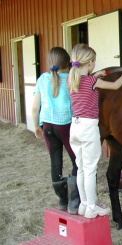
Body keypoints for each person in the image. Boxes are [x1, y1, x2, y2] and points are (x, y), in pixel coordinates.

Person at [68, 43, 122, 219]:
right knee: (90, 169)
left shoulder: (72, 80)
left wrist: (94, 75)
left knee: (81, 167)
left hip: (74, 127)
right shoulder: (91, 81)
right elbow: (114, 86)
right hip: (88, 128)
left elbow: (86, 83)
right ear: (90, 63)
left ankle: (83, 204)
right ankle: (92, 206)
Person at [31, 47, 80, 214]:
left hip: (48, 126)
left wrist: (37, 125)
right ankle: (74, 199)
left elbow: (34, 107)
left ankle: (62, 200)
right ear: (68, 63)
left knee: (55, 163)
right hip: (66, 125)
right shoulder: (71, 79)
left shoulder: (43, 79)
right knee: (77, 161)